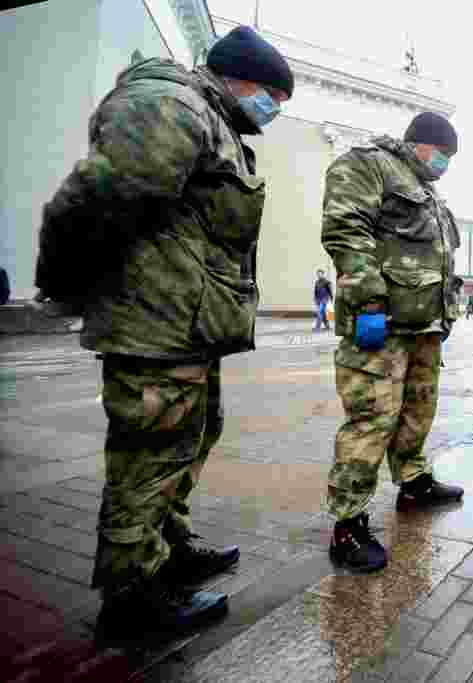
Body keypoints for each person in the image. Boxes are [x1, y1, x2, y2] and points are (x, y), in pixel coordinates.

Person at [32, 26, 293, 636]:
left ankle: (168, 550)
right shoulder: (172, 107)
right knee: (147, 458)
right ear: (242, 79)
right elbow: (96, 200)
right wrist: (65, 284)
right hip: (156, 328)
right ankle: (131, 599)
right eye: (274, 97)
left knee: (186, 443)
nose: (274, 112)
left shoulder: (210, 119)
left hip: (187, 327)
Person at [321, 111, 465, 573]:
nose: (445, 163)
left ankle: (414, 482)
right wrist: (368, 303)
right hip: (381, 326)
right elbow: (345, 229)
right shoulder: (369, 164)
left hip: (424, 327)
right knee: (371, 419)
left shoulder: (429, 192)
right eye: (442, 153)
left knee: (417, 410)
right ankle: (348, 525)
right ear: (420, 143)